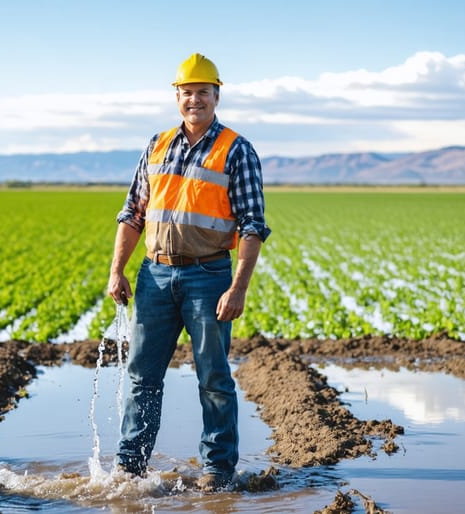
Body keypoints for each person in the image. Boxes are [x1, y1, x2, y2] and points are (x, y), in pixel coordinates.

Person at [107, 53, 271, 492]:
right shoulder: (157, 145)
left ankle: (217, 469)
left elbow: (253, 225)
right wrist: (116, 270)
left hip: (208, 277)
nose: (194, 99)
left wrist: (238, 287)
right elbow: (132, 213)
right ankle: (130, 467)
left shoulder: (236, 149)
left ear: (217, 95)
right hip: (154, 277)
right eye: (187, 93)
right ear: (176, 97)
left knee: (214, 377)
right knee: (143, 375)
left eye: (203, 92)